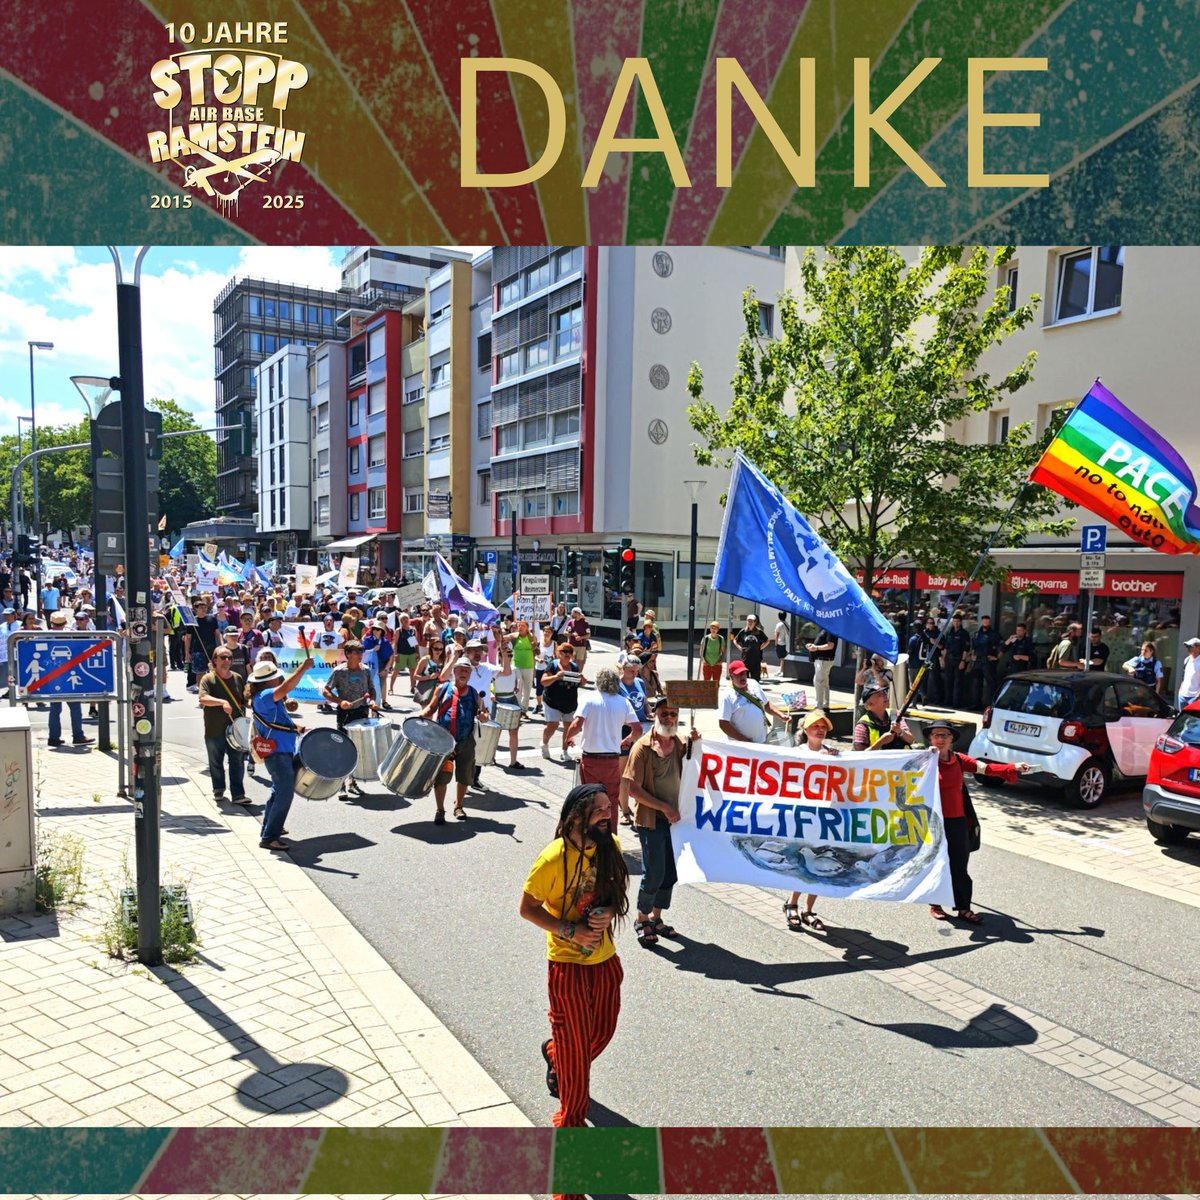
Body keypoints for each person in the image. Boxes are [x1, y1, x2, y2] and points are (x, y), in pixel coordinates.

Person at [519, 783, 627, 1139]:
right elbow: (527, 909)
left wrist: (609, 910)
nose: (607, 814)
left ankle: (556, 1052)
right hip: (566, 967)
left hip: (605, 961)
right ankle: (571, 1135)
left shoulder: (610, 847)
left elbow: (616, 895)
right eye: (598, 809)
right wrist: (570, 931)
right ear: (576, 816)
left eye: (608, 808)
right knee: (577, 1062)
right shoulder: (551, 859)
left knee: (602, 1033)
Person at [925, 719, 1030, 924]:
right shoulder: (925, 759)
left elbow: (987, 768)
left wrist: (1014, 767)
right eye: (936, 735)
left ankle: (964, 908)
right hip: (933, 821)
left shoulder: (959, 759)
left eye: (944, 735)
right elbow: (897, 766)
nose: (939, 739)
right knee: (938, 863)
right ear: (930, 738)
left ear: (951, 739)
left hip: (957, 822)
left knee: (959, 865)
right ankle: (935, 904)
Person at [622, 701, 699, 947]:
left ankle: (657, 917)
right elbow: (633, 789)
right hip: (651, 819)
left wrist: (697, 742)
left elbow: (697, 762)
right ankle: (641, 918)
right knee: (654, 871)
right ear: (655, 715)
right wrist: (664, 807)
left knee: (671, 872)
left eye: (673, 714)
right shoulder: (642, 748)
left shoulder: (679, 744)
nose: (669, 718)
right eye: (664, 713)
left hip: (676, 820)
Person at [248, 655, 314, 851]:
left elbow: (281, 721)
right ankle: (270, 837)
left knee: (279, 791)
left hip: (281, 750)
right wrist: (302, 668)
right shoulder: (266, 695)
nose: (278, 679)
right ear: (268, 680)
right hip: (277, 753)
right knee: (284, 793)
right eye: (275, 677)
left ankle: (269, 829)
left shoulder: (265, 697)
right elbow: (286, 688)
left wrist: (299, 728)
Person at [783, 710, 841, 932]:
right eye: (815, 726)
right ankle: (792, 902)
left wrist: (838, 760)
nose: (820, 729)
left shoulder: (833, 753)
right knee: (802, 860)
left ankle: (808, 909)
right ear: (805, 730)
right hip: (802, 816)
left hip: (824, 817)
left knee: (819, 863)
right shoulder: (796, 753)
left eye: (823, 726)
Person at [567, 667, 642, 827]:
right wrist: (627, 740)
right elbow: (637, 730)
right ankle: (611, 838)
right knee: (611, 802)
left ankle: (591, 835)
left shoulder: (588, 698)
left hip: (591, 759)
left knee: (590, 800)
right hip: (612, 760)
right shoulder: (623, 702)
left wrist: (568, 736)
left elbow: (577, 724)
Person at [420, 657, 479, 823]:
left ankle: (459, 806)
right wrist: (421, 716)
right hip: (444, 741)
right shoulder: (443, 688)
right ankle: (440, 810)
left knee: (464, 776)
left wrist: (484, 716)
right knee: (442, 777)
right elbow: (431, 708)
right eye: (460, 670)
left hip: (466, 741)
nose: (463, 673)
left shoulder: (474, 693)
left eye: (466, 671)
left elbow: (483, 713)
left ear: (469, 674)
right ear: (454, 671)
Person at [321, 641, 380, 799]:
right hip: (345, 714)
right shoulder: (339, 671)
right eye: (357, 651)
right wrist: (340, 701)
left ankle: (351, 782)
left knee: (358, 749)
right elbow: (325, 691)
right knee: (343, 749)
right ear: (348, 654)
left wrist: (373, 701)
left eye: (361, 651)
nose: (361, 654)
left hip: (362, 712)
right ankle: (340, 785)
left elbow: (372, 690)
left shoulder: (365, 670)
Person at [198, 645, 249, 805]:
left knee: (237, 762)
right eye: (223, 657)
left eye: (229, 658)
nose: (227, 660)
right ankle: (218, 789)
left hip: (236, 728)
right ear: (215, 660)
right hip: (214, 728)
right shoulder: (208, 679)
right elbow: (203, 698)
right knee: (215, 762)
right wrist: (222, 702)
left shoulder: (237, 677)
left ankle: (238, 794)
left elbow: (245, 700)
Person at [45, 610, 93, 747]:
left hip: (53, 676)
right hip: (69, 674)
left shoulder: (46, 636)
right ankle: (78, 736)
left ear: (51, 623)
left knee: (55, 708)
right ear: (65, 623)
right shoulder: (70, 635)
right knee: (75, 707)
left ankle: (53, 737)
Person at [718, 659, 788, 743]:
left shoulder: (754, 684)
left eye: (743, 673)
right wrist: (743, 739)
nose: (742, 676)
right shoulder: (727, 695)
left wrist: (780, 715)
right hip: (741, 745)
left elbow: (766, 704)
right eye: (738, 674)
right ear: (731, 676)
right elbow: (723, 723)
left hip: (761, 741)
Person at [616, 658, 650, 825]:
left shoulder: (639, 682)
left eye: (637, 671)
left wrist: (649, 712)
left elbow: (644, 702)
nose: (634, 674)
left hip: (641, 728)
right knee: (624, 774)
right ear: (623, 669)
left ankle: (637, 805)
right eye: (631, 671)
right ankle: (624, 810)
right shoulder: (617, 685)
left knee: (639, 771)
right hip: (625, 729)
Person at [541, 642, 585, 761]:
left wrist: (583, 680)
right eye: (565, 652)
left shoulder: (574, 667)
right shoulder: (553, 666)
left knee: (568, 728)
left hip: (569, 703)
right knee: (553, 725)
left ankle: (565, 751)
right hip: (552, 701)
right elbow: (543, 681)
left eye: (570, 652)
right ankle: (544, 743)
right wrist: (556, 677)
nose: (567, 654)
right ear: (559, 653)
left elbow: (581, 683)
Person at [852, 682, 915, 751]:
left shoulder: (894, 714)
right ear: (870, 703)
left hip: (902, 760)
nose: (885, 695)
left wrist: (900, 731)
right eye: (879, 695)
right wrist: (881, 742)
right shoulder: (862, 725)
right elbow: (860, 756)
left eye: (884, 692)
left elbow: (911, 740)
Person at [491, 644, 525, 770]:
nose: (508, 657)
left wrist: (517, 689)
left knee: (514, 732)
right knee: (496, 732)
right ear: (500, 656)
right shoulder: (495, 669)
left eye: (510, 654)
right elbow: (490, 684)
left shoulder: (515, 669)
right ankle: (491, 756)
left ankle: (513, 761)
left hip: (511, 699)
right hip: (499, 700)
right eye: (505, 654)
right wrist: (491, 693)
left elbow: (518, 683)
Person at [969, 614, 1001, 710]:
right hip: (978, 661)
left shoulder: (994, 634)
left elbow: (1001, 647)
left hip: (988, 662)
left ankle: (990, 706)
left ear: (989, 622)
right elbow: (974, 647)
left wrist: (997, 658)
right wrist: (973, 655)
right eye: (984, 621)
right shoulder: (977, 634)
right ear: (981, 622)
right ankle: (976, 704)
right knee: (976, 684)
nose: (985, 623)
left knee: (991, 685)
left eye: (987, 621)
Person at [505, 619, 538, 713]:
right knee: (518, 688)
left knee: (527, 690)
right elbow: (503, 638)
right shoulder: (515, 636)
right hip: (517, 665)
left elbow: (535, 649)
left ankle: (524, 709)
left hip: (529, 665)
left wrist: (535, 646)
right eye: (519, 625)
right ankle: (518, 709)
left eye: (523, 626)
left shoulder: (532, 637)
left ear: (527, 628)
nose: (520, 627)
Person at [940, 613, 971, 706]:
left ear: (961, 622)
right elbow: (946, 647)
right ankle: (947, 701)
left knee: (958, 682)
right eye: (954, 621)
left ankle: (956, 703)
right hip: (949, 659)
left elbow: (966, 649)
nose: (956, 623)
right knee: (948, 681)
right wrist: (942, 659)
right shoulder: (949, 632)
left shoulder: (964, 633)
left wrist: (963, 661)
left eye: (958, 621)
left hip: (959, 659)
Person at [805, 626, 838, 709]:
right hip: (822, 660)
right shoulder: (825, 629)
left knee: (818, 682)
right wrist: (813, 645)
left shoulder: (830, 629)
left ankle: (819, 705)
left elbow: (830, 645)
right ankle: (825, 704)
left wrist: (816, 648)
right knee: (824, 682)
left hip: (824, 660)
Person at [732, 614, 768, 681]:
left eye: (752, 621)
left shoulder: (759, 632)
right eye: (748, 621)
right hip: (745, 659)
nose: (750, 623)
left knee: (755, 680)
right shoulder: (743, 631)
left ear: (755, 622)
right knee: (745, 679)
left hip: (756, 659)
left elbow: (767, 641)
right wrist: (740, 648)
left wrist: (761, 647)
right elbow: (735, 640)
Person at [392, 613, 420, 698]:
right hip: (401, 653)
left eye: (406, 618)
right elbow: (396, 644)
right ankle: (391, 688)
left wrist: (417, 653)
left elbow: (414, 643)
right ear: (400, 621)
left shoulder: (412, 630)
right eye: (403, 618)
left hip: (411, 653)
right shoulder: (398, 630)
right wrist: (395, 654)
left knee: (412, 671)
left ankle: (412, 687)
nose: (405, 620)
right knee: (396, 671)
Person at [635, 616, 663, 697]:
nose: (649, 628)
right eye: (647, 627)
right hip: (644, 657)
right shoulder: (640, 636)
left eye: (650, 627)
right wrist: (646, 650)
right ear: (644, 627)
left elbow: (655, 647)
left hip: (651, 655)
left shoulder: (653, 636)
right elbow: (638, 648)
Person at [1177, 637, 1200, 709]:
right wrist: (1180, 691)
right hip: (1182, 696)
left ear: (1198, 648)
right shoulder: (1186, 660)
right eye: (1187, 646)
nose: (1188, 648)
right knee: (1181, 718)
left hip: (1194, 697)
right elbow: (1184, 677)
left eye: (1190, 646)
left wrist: (1197, 697)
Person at [772, 611, 790, 677]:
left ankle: (781, 671)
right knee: (783, 657)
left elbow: (777, 634)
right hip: (786, 643)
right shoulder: (787, 624)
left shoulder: (779, 624)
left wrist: (776, 643)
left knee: (782, 658)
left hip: (780, 643)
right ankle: (781, 670)